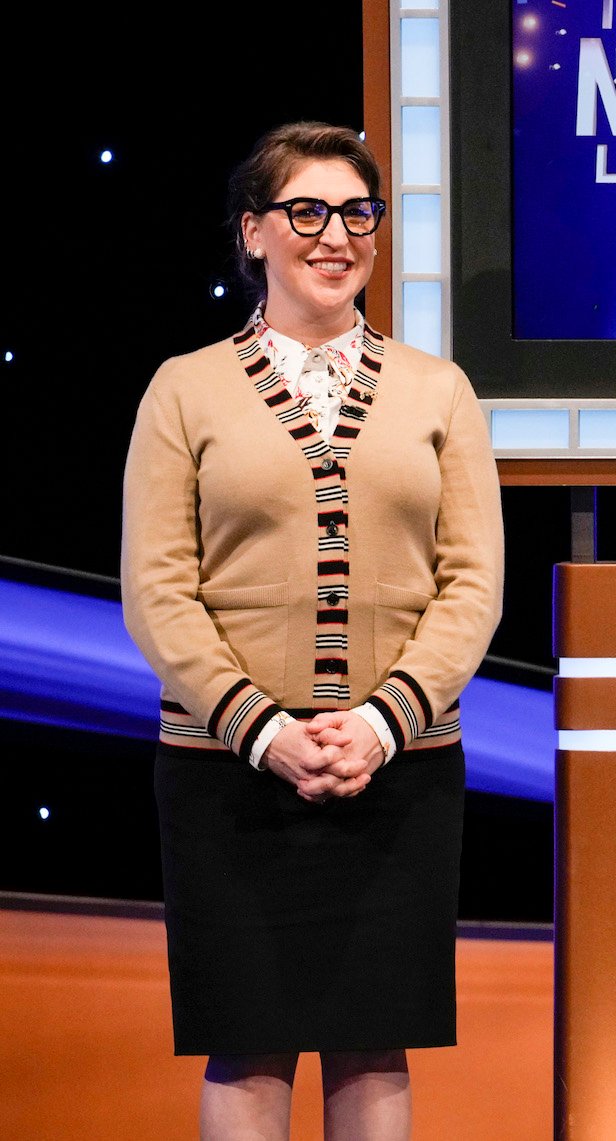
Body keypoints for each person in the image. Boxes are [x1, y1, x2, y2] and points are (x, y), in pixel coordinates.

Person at [121, 122, 504, 1139]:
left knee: (374, 1041)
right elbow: (158, 592)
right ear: (253, 233)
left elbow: (473, 585)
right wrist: (267, 732)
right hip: (229, 772)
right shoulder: (183, 388)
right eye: (307, 211)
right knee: (246, 1041)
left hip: (400, 769)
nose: (336, 234)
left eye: (356, 212)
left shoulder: (439, 391)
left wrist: (378, 725)